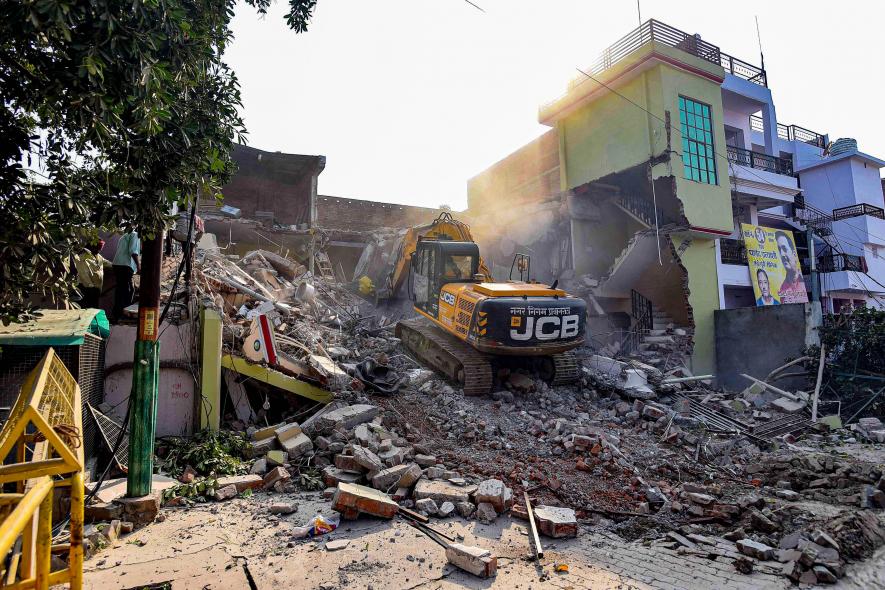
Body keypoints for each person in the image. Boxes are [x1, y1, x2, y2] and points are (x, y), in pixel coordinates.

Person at [112, 229, 141, 321]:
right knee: (127, 291)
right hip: (125, 265)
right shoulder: (135, 235)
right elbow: (133, 251)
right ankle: (123, 314)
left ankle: (116, 315)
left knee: (121, 290)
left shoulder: (125, 235)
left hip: (117, 264)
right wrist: (138, 265)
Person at [73, 240, 111, 308]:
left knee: (94, 308)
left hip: (96, 287)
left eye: (100, 250)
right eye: (97, 249)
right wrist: (91, 287)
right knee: (85, 308)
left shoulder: (98, 256)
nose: (98, 251)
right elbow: (83, 274)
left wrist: (117, 266)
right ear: (91, 247)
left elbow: (106, 263)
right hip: (85, 287)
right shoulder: (82, 257)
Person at [775, 230, 807, 303]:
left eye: (784, 249)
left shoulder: (802, 281)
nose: (782, 254)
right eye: (779, 250)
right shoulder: (782, 288)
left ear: (794, 254)